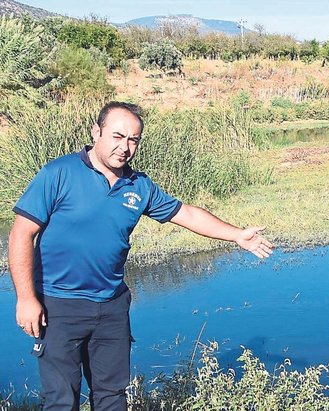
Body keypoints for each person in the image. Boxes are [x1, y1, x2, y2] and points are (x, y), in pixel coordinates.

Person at [8, 101, 274, 410]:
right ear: (97, 132)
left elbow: (185, 213)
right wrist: (26, 299)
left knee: (112, 397)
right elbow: (21, 234)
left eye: (133, 140)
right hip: (59, 306)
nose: (124, 147)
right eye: (117, 136)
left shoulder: (139, 186)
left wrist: (236, 234)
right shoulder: (59, 173)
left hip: (111, 307)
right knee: (61, 401)